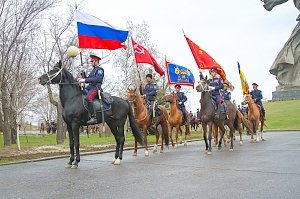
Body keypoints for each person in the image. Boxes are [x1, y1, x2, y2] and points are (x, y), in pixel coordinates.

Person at [78, 54, 104, 125]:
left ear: (96, 61)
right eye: (91, 61)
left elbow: (97, 79)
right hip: (89, 88)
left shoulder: (100, 70)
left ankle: (93, 117)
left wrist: (84, 80)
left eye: (92, 61)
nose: (91, 63)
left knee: (88, 98)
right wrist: (82, 72)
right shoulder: (93, 70)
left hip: (96, 87)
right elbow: (87, 78)